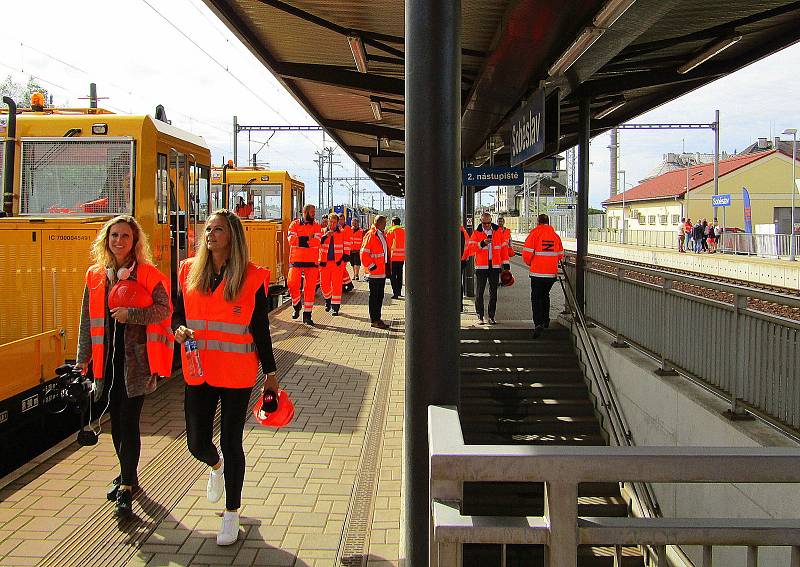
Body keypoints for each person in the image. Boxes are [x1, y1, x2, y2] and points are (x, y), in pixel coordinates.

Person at [172, 210, 279, 546]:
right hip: (199, 370)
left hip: (236, 373)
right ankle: (215, 466)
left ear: (232, 236)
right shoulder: (189, 270)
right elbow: (178, 311)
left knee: (232, 441)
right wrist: (177, 328)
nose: (210, 234)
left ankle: (232, 513)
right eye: (208, 229)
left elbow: (261, 330)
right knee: (196, 442)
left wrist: (271, 374)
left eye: (217, 230)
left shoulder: (251, 277)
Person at [76, 215, 173, 519]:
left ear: (135, 242)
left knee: (129, 423)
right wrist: (82, 360)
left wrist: (131, 314)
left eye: (125, 237)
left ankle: (127, 486)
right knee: (116, 424)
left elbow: (164, 310)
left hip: (137, 365)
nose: (119, 241)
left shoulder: (148, 275)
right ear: (106, 239)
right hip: (107, 365)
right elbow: (86, 322)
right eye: (114, 236)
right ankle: (126, 473)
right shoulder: (95, 276)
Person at [521, 214, 564, 337]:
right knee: (545, 296)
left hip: (537, 273)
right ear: (548, 222)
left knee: (536, 298)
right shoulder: (555, 236)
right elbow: (560, 254)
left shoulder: (534, 234)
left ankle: (538, 323)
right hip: (551, 274)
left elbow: (527, 254)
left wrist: (530, 263)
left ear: (538, 222)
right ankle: (546, 320)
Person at [465, 212, 504, 325]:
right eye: (484, 223)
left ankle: (491, 316)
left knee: (493, 293)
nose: (486, 225)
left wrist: (505, 264)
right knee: (479, 292)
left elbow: (503, 249)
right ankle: (480, 316)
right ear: (481, 222)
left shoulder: (498, 232)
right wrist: (482, 243)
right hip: (481, 267)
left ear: (491, 221)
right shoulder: (476, 233)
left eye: (488, 222)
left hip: (495, 266)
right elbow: (471, 249)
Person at [287, 204, 322, 325]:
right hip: (296, 261)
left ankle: (307, 315)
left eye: (314, 212)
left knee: (310, 289)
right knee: (291, 284)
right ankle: (296, 305)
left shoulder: (317, 226)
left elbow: (317, 242)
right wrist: (308, 239)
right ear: (304, 212)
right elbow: (291, 240)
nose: (313, 214)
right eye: (311, 212)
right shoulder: (294, 224)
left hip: (312, 262)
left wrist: (301, 240)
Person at [361, 215, 390, 329]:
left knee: (379, 296)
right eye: (384, 222)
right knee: (375, 297)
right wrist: (372, 266)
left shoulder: (380, 234)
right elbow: (364, 253)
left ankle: (377, 318)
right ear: (378, 223)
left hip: (381, 272)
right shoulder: (371, 235)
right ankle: (374, 319)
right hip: (374, 273)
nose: (385, 225)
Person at [319, 213, 348, 315]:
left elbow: (346, 246)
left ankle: (335, 307)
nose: (332, 224)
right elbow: (316, 243)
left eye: (334, 222)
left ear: (337, 222)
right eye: (330, 222)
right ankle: (328, 300)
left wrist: (343, 260)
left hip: (337, 263)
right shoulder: (322, 231)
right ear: (327, 221)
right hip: (324, 264)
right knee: (324, 285)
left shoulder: (342, 232)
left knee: (337, 286)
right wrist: (325, 236)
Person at [386, 217, 406, 299]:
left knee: (393, 276)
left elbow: (388, 245)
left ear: (393, 223)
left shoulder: (390, 231)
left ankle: (395, 293)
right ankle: (399, 291)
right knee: (400, 275)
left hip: (393, 258)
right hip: (402, 257)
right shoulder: (404, 231)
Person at [337, 215, 355, 293]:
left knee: (341, 269)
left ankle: (346, 284)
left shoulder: (347, 229)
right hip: (340, 252)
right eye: (339, 220)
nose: (341, 221)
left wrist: (346, 254)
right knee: (341, 270)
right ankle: (347, 284)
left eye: (342, 219)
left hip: (345, 253)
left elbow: (348, 242)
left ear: (344, 220)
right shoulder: (339, 229)